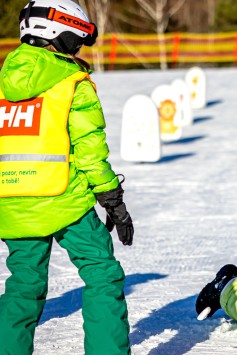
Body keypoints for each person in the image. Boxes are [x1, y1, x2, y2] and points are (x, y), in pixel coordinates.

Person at [0, 1, 134, 353]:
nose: (77, 51)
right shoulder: (73, 83)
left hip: (11, 205)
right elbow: (89, 149)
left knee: (23, 286)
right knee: (102, 275)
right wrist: (112, 199)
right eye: (76, 41)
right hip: (65, 202)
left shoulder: (2, 85)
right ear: (56, 35)